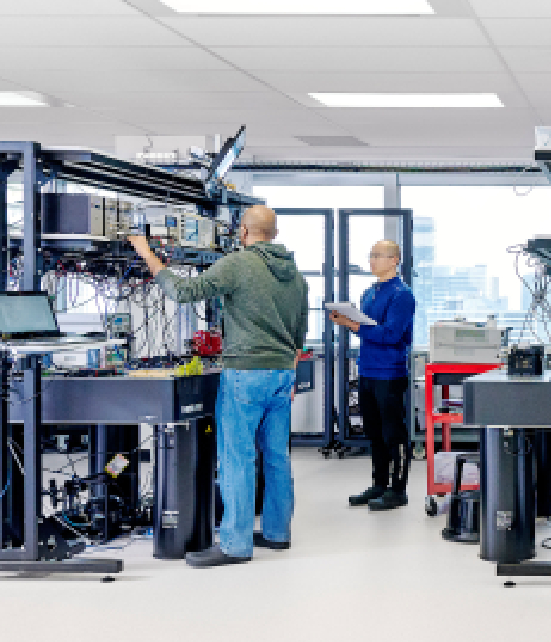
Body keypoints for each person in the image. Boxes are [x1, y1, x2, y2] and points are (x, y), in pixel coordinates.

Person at [127, 205, 309, 567]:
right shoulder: (296, 276)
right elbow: (300, 333)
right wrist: (288, 372)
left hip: (245, 373)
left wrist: (146, 252)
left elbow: (183, 292)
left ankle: (236, 544)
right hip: (282, 374)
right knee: (276, 457)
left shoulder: (240, 263)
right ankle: (277, 532)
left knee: (237, 458)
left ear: (243, 231)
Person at [329, 240, 415, 511]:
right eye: (370, 255)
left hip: (389, 373)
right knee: (374, 433)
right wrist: (349, 319)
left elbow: (391, 335)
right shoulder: (369, 292)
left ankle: (398, 490)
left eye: (378, 256)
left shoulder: (402, 295)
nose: (372, 261)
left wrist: (352, 324)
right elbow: (367, 328)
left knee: (393, 433)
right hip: (366, 370)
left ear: (395, 259)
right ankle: (379, 484)